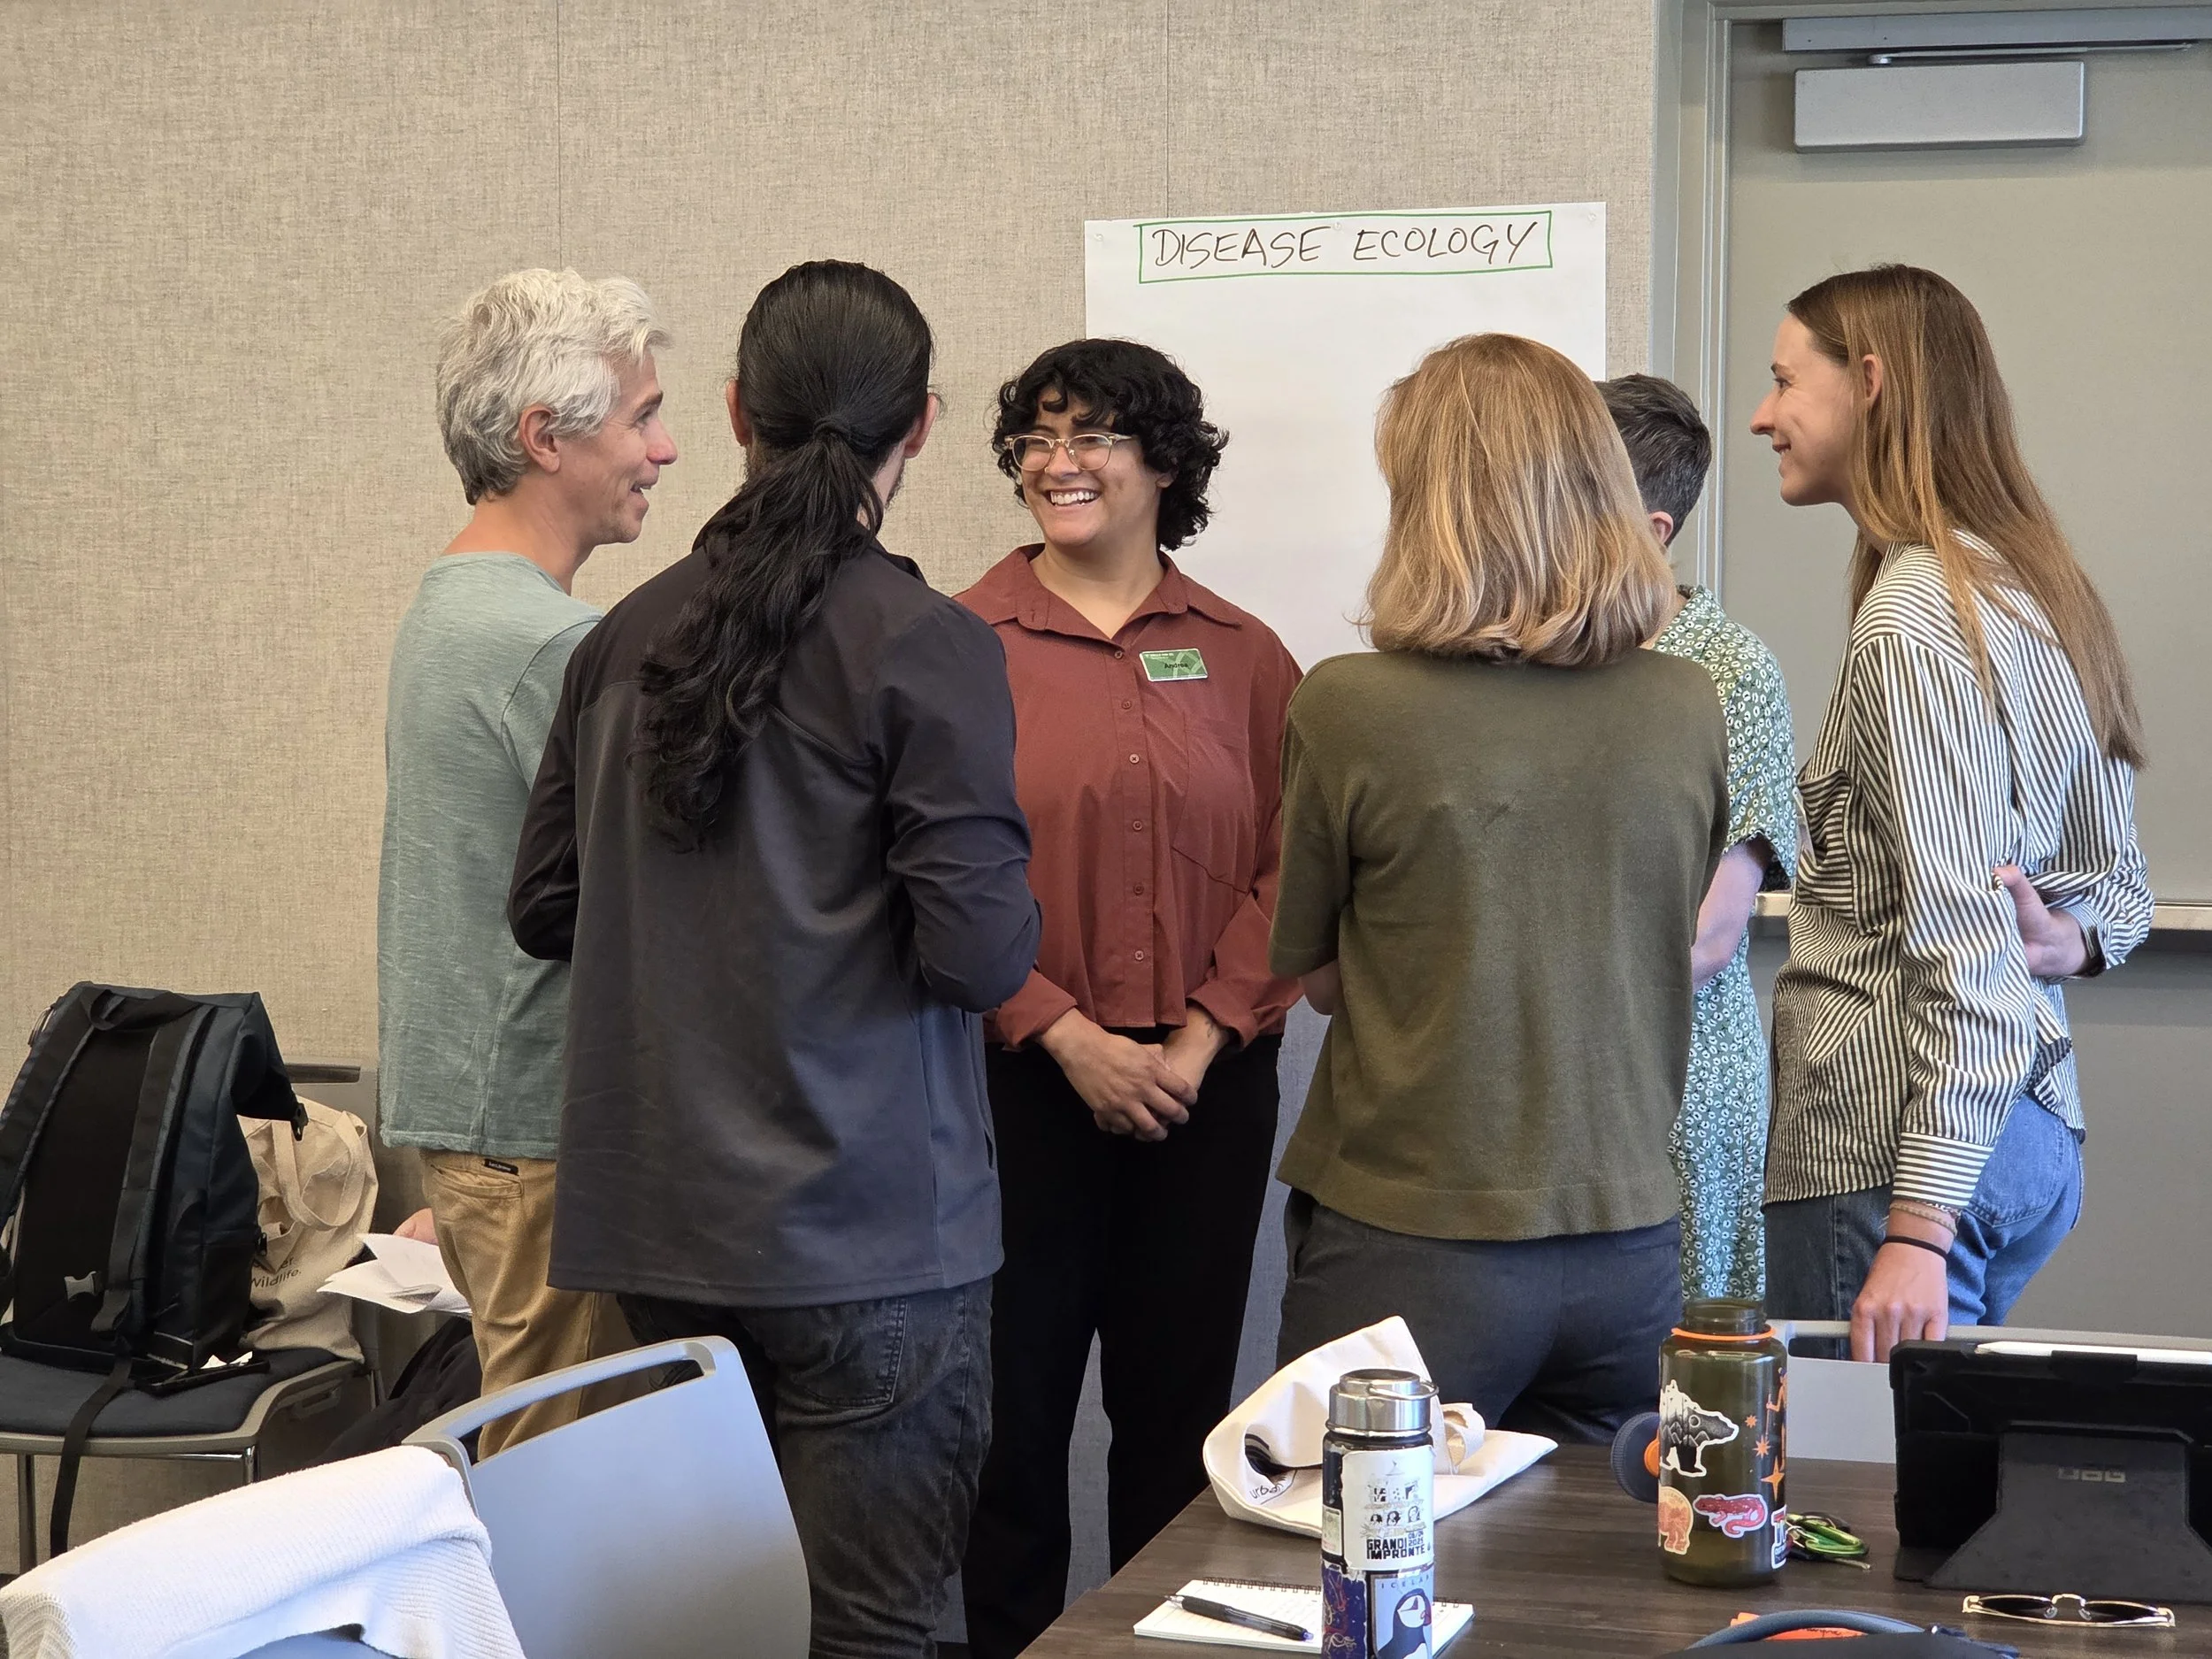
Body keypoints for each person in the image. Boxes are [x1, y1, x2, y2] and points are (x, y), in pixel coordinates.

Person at [509, 260, 1040, 1658]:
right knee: (874, 1629)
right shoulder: (924, 643)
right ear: (918, 426)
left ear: (740, 411)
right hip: (871, 1230)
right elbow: (983, 955)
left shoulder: (619, 637)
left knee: (698, 1629)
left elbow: (546, 906)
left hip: (657, 1230)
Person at [1270, 333, 1731, 1442]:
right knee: (1597, 1596)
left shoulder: (1347, 706)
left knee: (1363, 1583)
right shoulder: (1687, 704)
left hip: (1412, 1242)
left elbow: (1323, 980)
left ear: (1426, 505)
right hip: (1628, 1245)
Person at [957, 340, 1302, 1658]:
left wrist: (1206, 1030)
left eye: (1094, 434)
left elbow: (1291, 865)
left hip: (1206, 1090)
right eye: (1038, 439)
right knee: (1013, 1421)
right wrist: (1068, 1034)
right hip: (1017, 1082)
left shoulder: (1247, 653)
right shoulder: (957, 643)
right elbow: (937, 873)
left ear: (1165, 461)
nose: (1060, 462)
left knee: (1181, 1426)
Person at [1751, 265, 2152, 1360]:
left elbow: (1958, 939)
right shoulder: (2031, 585)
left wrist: (1916, 1230)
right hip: (2027, 1136)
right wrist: (2069, 936)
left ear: (1869, 381)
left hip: (1894, 1159)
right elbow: (2112, 887)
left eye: (1785, 383)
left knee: (1853, 1517)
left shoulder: (1915, 618)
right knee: (1926, 1499)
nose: (1762, 415)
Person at [378, 268, 674, 1455]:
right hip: (541, 1130)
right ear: (546, 436)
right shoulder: (547, 642)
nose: (664, 448)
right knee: (571, 1485)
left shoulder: (456, 600)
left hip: (492, 1121)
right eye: (641, 415)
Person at [1599, 373, 1799, 1303]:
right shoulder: (1543, 654)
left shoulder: (1730, 670)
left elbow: (1712, 940)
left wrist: (1554, 1032)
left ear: (1651, 531)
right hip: (1561, 1077)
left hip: (1680, 1081)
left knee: (1675, 1386)